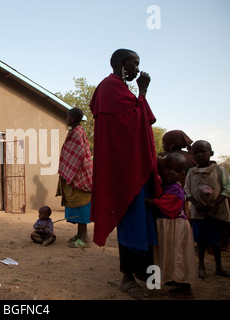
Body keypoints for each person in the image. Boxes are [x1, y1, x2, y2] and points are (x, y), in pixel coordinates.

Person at [89, 49, 162, 299]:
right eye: (135, 63)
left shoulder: (120, 89)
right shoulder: (110, 87)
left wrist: (139, 95)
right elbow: (135, 122)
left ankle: (146, 275)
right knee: (131, 219)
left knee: (142, 219)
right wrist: (143, 92)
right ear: (122, 64)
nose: (138, 69)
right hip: (125, 170)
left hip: (135, 167)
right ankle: (127, 278)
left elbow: (144, 120)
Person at [146, 153, 197, 294]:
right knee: (169, 254)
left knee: (179, 255)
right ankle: (173, 279)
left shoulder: (176, 188)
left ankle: (185, 287)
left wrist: (143, 200)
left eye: (176, 171)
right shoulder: (164, 185)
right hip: (168, 227)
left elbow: (162, 205)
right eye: (167, 168)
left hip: (175, 227)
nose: (171, 173)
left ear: (181, 174)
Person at [185, 140, 230, 279]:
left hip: (216, 212)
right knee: (200, 241)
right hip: (198, 214)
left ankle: (219, 267)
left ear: (211, 153)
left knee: (215, 241)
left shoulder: (219, 170)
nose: (199, 155)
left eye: (203, 152)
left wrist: (214, 203)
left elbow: (227, 189)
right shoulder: (191, 172)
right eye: (195, 153)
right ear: (192, 155)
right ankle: (201, 266)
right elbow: (186, 190)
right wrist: (194, 202)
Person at [56, 108, 93, 247]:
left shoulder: (77, 133)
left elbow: (80, 154)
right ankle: (79, 235)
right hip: (76, 175)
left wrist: (72, 173)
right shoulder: (77, 131)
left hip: (79, 176)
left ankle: (84, 239)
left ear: (72, 118)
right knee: (77, 207)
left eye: (67, 117)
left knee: (81, 206)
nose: (66, 119)